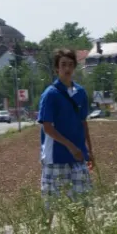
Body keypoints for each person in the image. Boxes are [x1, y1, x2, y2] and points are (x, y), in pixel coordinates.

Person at [37, 48, 94, 217]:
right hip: (56, 157)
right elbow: (47, 127)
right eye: (63, 65)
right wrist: (70, 146)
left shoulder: (81, 93)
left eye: (70, 64)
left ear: (75, 67)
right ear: (56, 68)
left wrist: (89, 150)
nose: (67, 69)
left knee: (80, 203)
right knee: (50, 206)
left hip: (78, 157)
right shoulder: (50, 94)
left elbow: (83, 123)